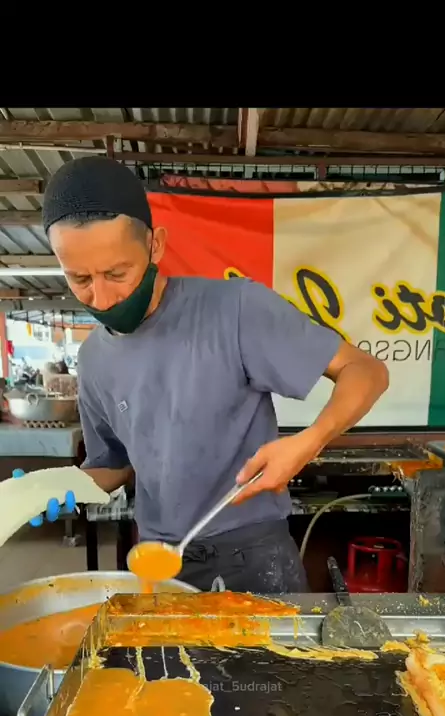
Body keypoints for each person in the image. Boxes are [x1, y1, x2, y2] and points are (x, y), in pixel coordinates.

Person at [22, 156, 389, 593]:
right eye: (79, 279)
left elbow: (366, 371)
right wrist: (57, 487)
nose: (101, 298)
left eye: (117, 273)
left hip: (253, 553)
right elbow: (113, 466)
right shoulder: (94, 358)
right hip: (158, 559)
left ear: (156, 245)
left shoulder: (234, 310)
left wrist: (308, 442)